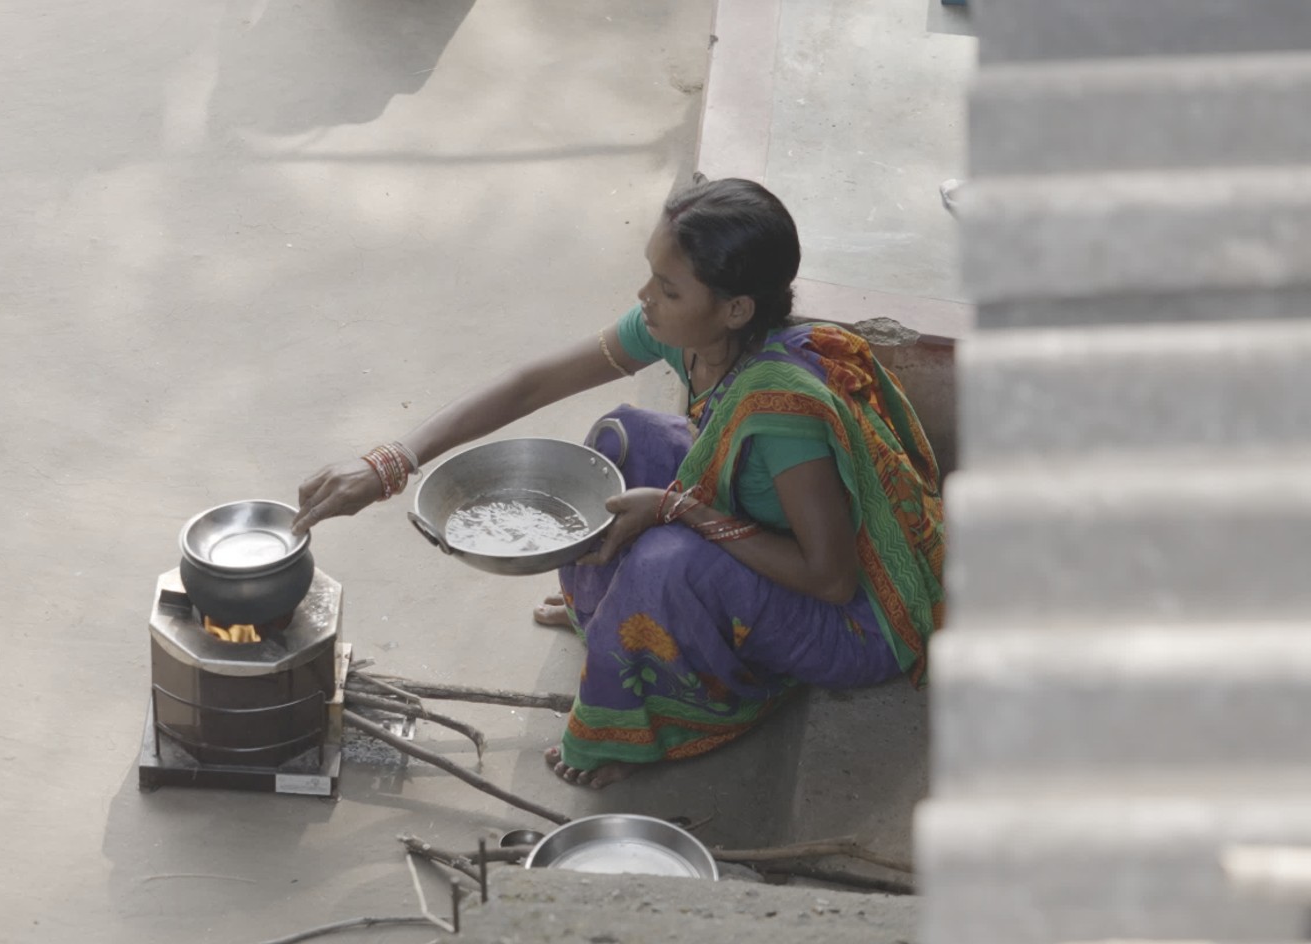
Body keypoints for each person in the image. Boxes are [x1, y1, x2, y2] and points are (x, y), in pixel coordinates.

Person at [293, 178, 946, 789]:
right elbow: (534, 383)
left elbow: (830, 578)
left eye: (668, 289)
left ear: (735, 308)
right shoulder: (696, 340)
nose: (644, 298)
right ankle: (613, 620)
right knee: (631, 435)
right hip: (774, 546)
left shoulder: (783, 418)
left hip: (850, 625)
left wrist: (677, 509)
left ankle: (651, 718)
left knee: (668, 560)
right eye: (650, 276)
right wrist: (389, 463)